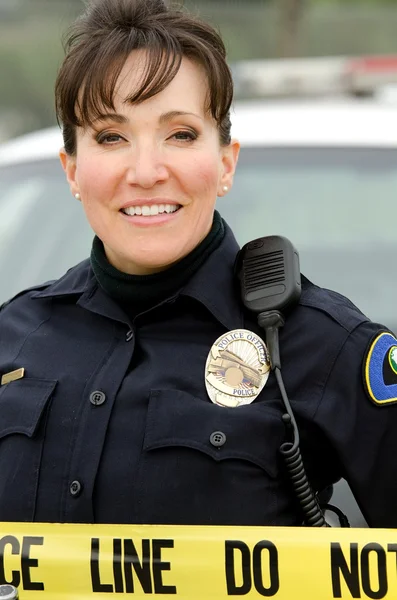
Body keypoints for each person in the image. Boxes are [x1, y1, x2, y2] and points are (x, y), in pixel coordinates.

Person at [0, 0, 396, 528]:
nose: (145, 172)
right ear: (72, 170)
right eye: (111, 136)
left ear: (226, 163)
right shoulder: (12, 338)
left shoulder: (326, 347)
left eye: (180, 134)